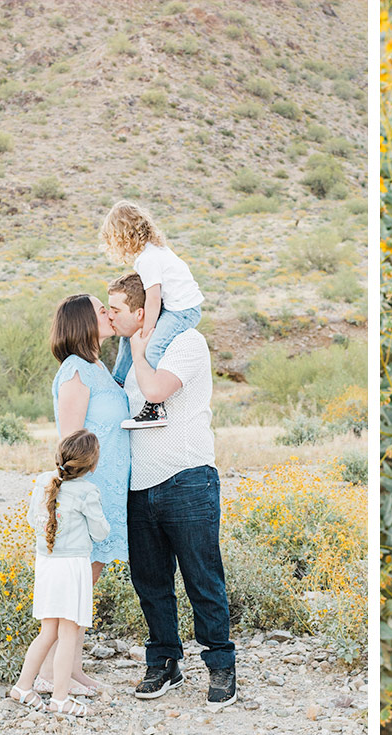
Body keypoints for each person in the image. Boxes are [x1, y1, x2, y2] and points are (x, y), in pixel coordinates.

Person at [106, 271, 236, 709]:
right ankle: (164, 661)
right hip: (138, 483)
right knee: (151, 582)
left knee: (202, 579)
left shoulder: (186, 343)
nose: (110, 315)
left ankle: (220, 665)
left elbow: (158, 389)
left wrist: (141, 351)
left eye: (117, 309)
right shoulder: (126, 355)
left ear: (142, 313)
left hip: (187, 476)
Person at [36, 293, 131, 696]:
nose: (108, 314)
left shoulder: (99, 368)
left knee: (86, 585)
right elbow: (71, 442)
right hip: (88, 495)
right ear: (82, 322)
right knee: (77, 586)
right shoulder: (76, 370)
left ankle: (70, 669)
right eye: (100, 309)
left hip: (108, 492)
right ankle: (49, 675)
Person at [10, 430, 110, 718]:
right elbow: (100, 533)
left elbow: (33, 520)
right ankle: (60, 698)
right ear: (92, 465)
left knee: (48, 631)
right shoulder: (88, 491)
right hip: (71, 568)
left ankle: (23, 686)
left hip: (46, 563)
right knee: (68, 634)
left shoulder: (44, 481)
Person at [98, 199, 205, 429]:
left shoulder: (148, 259)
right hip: (175, 305)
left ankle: (155, 408)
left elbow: (154, 297)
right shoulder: (153, 251)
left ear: (122, 237)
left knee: (153, 346)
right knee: (132, 336)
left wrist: (147, 332)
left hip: (183, 311)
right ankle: (117, 383)